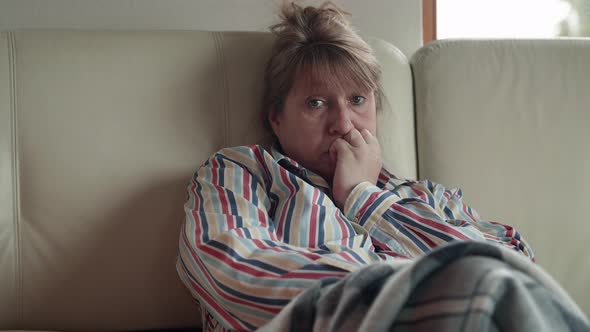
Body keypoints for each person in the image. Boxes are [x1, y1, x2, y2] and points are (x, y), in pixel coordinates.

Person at [176, 2, 534, 331]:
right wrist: (402, 301)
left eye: (358, 99)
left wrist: (365, 198)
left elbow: (517, 278)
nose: (344, 124)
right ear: (276, 118)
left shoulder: (429, 197)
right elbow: (230, 272)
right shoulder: (241, 172)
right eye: (316, 103)